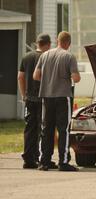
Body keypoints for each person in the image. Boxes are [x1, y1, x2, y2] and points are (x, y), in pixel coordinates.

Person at [33, 31, 81, 171]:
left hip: (46, 96)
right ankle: (63, 162)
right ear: (68, 43)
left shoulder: (45, 55)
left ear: (57, 41)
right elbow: (76, 78)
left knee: (46, 129)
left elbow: (36, 76)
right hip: (62, 96)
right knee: (63, 129)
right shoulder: (69, 56)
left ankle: (44, 162)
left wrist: (49, 80)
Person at [18, 33, 53, 169]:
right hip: (43, 98)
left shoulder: (26, 57)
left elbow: (20, 77)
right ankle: (40, 158)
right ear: (48, 44)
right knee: (43, 128)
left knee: (29, 128)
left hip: (29, 98)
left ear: (37, 43)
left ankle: (28, 158)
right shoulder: (46, 58)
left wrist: (23, 94)